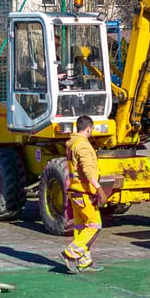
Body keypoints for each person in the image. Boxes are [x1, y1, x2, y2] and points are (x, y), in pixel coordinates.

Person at [60, 115, 108, 274]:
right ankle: (70, 254)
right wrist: (99, 189)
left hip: (75, 192)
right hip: (84, 191)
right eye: (92, 129)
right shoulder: (83, 146)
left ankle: (84, 260)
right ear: (89, 128)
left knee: (81, 226)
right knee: (94, 225)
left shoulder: (72, 143)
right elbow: (88, 170)